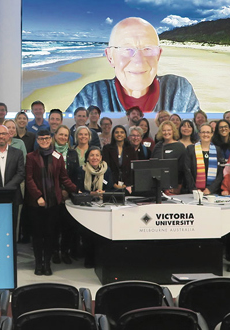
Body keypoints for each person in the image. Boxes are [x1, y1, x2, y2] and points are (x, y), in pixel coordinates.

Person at [66, 17, 199, 113]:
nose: (139, 61)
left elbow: (199, 140)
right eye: (126, 49)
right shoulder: (91, 96)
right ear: (110, 57)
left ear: (158, 55)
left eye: (148, 49)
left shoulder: (180, 91)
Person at [26, 129, 77, 276]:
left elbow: (64, 178)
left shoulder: (58, 156)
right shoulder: (31, 157)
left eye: (47, 138)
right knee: (37, 235)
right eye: (41, 139)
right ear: (37, 140)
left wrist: (76, 190)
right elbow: (29, 179)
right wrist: (38, 196)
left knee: (50, 234)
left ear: (51, 139)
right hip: (36, 203)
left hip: (53, 202)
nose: (44, 141)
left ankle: (47, 264)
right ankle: (38, 263)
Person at [52, 125, 80, 264]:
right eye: (60, 134)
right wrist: (59, 190)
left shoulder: (73, 153)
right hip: (53, 194)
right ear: (55, 135)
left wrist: (68, 191)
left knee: (68, 226)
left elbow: (75, 175)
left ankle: (65, 251)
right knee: (54, 226)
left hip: (68, 195)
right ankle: (55, 252)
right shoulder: (49, 152)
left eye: (66, 135)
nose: (63, 137)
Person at [185, 123, 223, 195]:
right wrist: (195, 189)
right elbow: (187, 171)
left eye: (208, 132)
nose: (206, 135)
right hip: (194, 192)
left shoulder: (217, 150)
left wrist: (210, 189)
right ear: (199, 134)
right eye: (203, 132)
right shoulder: (191, 149)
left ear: (212, 134)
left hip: (212, 192)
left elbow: (220, 173)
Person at [152, 120, 186, 194]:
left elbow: (183, 169)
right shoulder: (157, 146)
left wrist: (178, 187)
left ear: (173, 131)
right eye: (164, 130)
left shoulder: (179, 147)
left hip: (174, 187)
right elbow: (152, 165)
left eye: (169, 130)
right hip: (157, 186)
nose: (166, 132)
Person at [102, 125, 137, 192]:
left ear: (125, 135)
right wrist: (113, 183)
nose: (119, 134)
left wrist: (126, 184)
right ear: (113, 134)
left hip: (127, 185)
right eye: (117, 132)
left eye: (122, 132)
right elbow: (106, 168)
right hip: (111, 184)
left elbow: (132, 169)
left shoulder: (131, 149)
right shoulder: (107, 148)